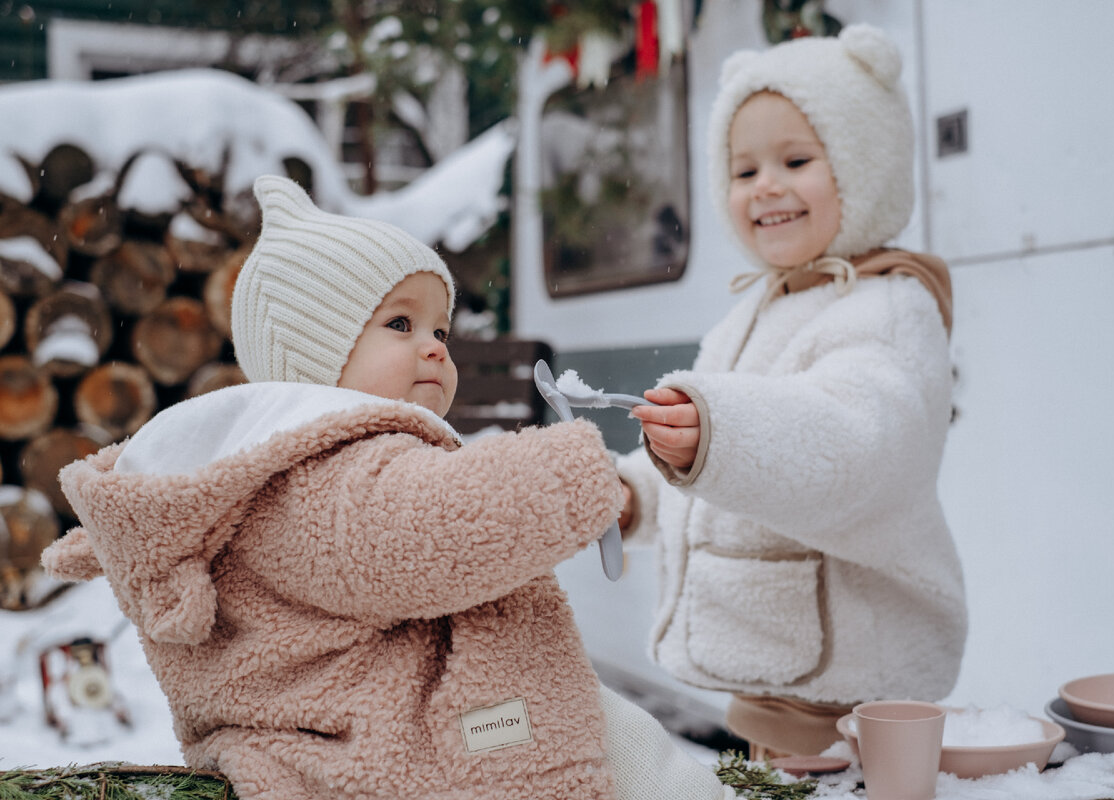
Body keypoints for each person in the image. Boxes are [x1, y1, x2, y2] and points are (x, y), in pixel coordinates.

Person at [42, 175, 733, 800]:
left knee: (592, 720)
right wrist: (574, 479)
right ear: (312, 357)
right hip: (389, 744)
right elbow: (435, 529)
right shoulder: (327, 474)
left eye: (440, 327)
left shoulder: (297, 462)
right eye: (399, 324)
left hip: (386, 715)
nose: (436, 346)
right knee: (592, 732)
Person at [617, 24, 968, 760]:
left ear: (864, 164)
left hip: (846, 696)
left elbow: (848, 447)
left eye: (797, 160)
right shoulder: (760, 307)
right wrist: (636, 492)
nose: (765, 186)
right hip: (774, 678)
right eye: (743, 172)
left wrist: (716, 433)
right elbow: (706, 463)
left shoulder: (888, 309)